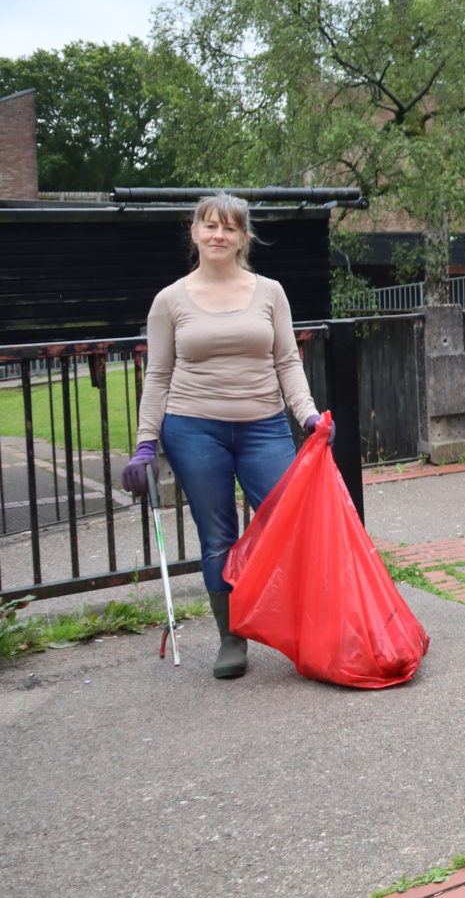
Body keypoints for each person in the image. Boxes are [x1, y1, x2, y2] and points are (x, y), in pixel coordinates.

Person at [120, 193, 321, 679]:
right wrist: (146, 442)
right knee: (218, 538)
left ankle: (299, 626)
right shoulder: (170, 300)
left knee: (283, 525)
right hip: (193, 428)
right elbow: (159, 375)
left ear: (243, 238)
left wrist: (309, 416)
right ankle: (232, 639)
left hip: (265, 425)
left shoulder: (270, 291)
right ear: (194, 232)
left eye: (229, 229)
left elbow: (287, 360)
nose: (218, 235)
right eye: (209, 226)